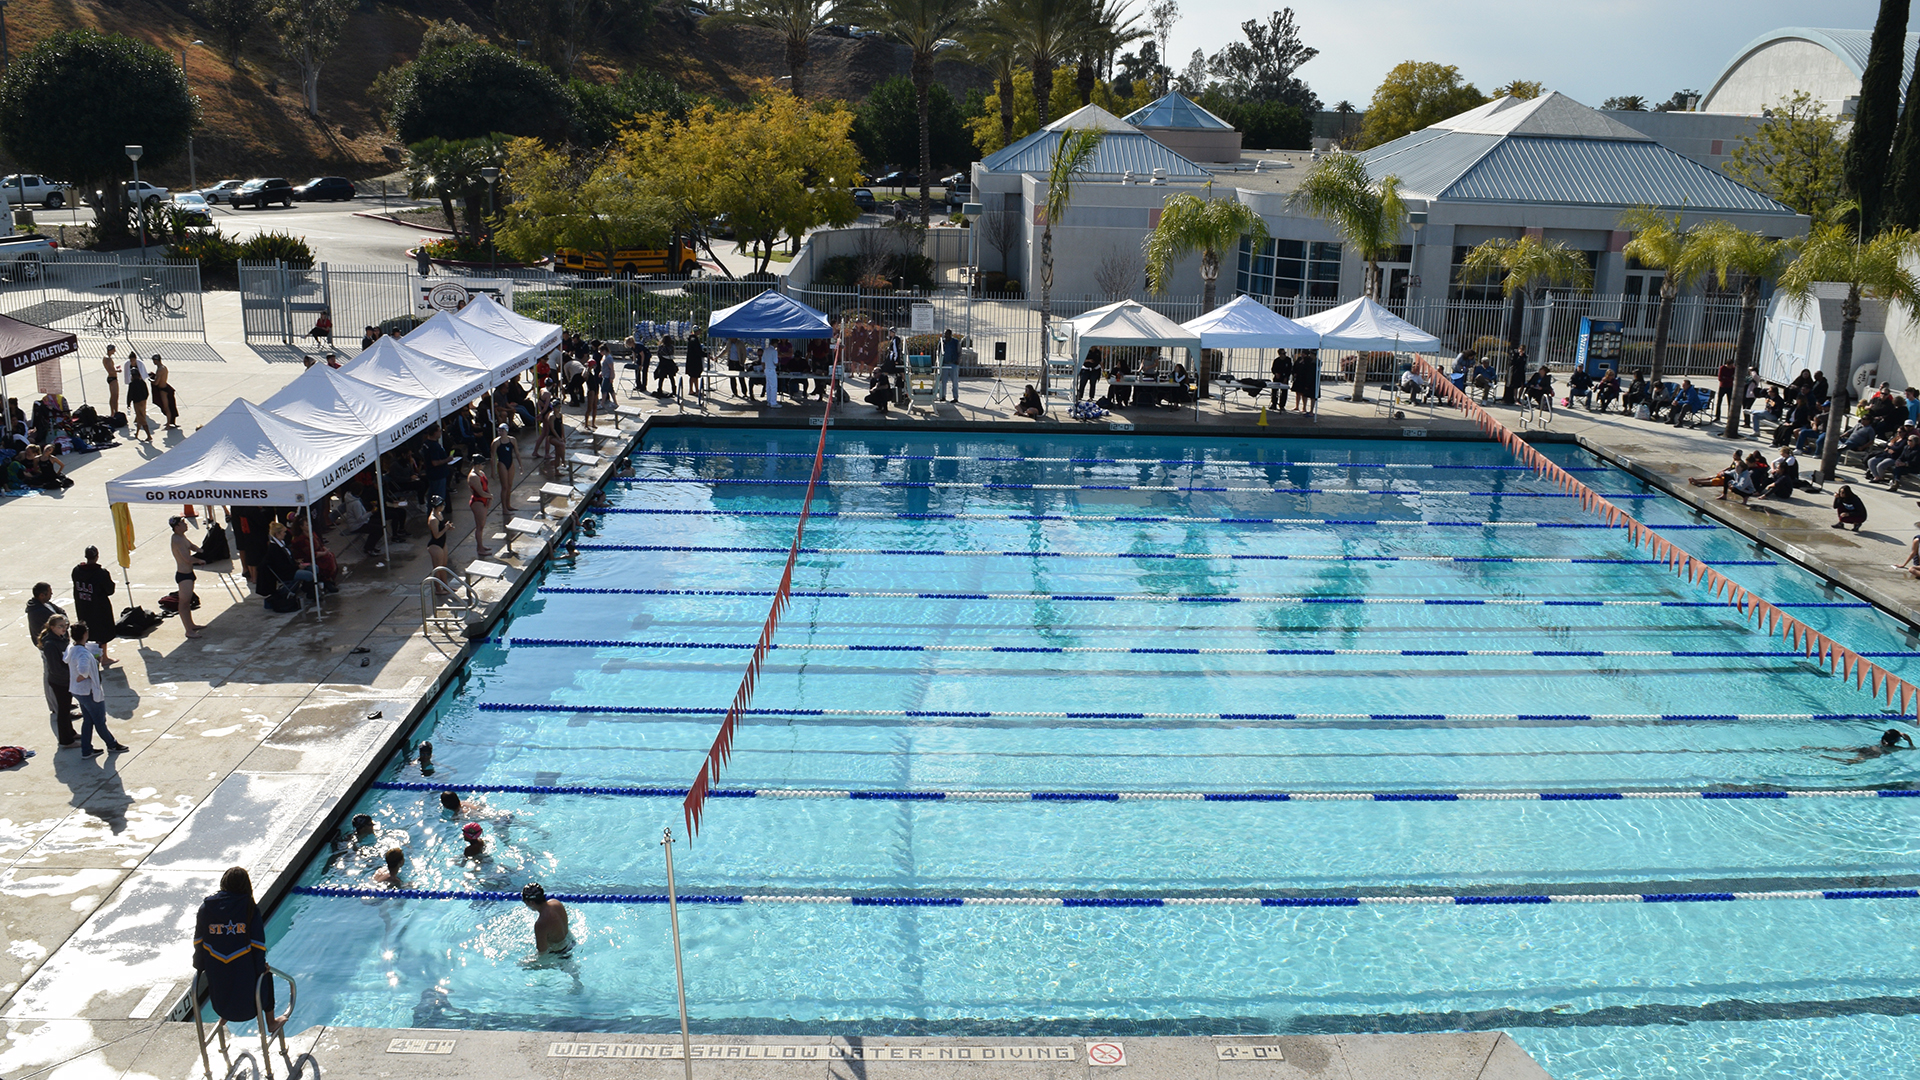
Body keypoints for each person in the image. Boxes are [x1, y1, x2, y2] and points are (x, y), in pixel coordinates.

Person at [193, 867, 281, 1033]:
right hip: (250, 1004)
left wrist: (199, 965)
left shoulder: (206, 908)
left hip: (220, 1001)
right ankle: (271, 1022)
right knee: (266, 975)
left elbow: (198, 942)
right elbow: (258, 946)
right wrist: (261, 969)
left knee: (222, 968)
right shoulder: (249, 909)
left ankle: (226, 1014)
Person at [66, 623, 124, 756]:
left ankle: (86, 750)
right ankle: (112, 744)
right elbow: (83, 670)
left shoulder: (72, 649)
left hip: (78, 691)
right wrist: (83, 675)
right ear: (85, 634)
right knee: (99, 721)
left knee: (88, 720)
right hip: (88, 692)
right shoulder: (83, 654)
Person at [70, 548, 117, 665]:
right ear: (97, 556)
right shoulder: (101, 573)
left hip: (83, 606)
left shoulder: (77, 571)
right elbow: (109, 590)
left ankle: (91, 656)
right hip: (99, 607)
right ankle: (104, 658)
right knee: (103, 631)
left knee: (87, 631)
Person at [38, 614, 78, 747]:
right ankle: (66, 741)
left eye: (65, 625)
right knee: (63, 711)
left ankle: (70, 733)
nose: (64, 628)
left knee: (65, 709)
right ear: (52, 627)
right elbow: (55, 668)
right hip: (59, 682)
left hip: (64, 680)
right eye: (60, 626)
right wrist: (71, 675)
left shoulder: (61, 638)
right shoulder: (50, 644)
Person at [170, 517, 205, 637]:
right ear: (177, 527)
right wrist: (199, 560)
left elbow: (190, 545)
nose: (186, 525)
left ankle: (191, 625)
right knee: (184, 603)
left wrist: (198, 549)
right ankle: (188, 631)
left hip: (189, 574)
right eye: (183, 523)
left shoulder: (181, 537)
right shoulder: (176, 540)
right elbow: (187, 559)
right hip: (184, 575)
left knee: (188, 602)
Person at [523, 882, 571, 955]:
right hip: (570, 944)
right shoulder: (556, 903)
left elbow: (542, 952)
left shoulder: (541, 924)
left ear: (532, 903)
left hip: (558, 954)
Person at [1821, 728, 1917, 763]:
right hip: (1873, 753)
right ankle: (1827, 758)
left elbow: (1895, 734)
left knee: (1841, 750)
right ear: (1896, 740)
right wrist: (1910, 742)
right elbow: (1912, 749)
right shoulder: (1896, 748)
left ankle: (1818, 748)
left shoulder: (1882, 741)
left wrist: (1900, 735)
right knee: (1852, 761)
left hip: (1867, 747)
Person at [465, 461, 493, 558]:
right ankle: (480, 549)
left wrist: (489, 497)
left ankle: (481, 546)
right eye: (482, 464)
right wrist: (490, 497)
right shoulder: (473, 477)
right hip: (477, 502)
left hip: (483, 500)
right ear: (477, 464)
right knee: (479, 526)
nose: (484, 465)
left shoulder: (481, 473)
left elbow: (486, 488)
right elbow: (480, 492)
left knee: (482, 526)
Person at [124, 351, 153, 442]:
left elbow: (130, 394)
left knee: (141, 418)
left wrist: (128, 403)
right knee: (140, 416)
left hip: (137, 402)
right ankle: (137, 433)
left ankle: (149, 435)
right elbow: (147, 392)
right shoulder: (142, 382)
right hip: (143, 401)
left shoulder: (132, 384)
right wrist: (144, 399)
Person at [150, 355, 179, 428]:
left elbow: (156, 382)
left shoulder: (160, 370)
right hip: (165, 387)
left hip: (163, 390)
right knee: (169, 406)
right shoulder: (164, 367)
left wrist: (150, 380)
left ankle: (168, 424)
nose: (153, 362)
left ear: (156, 360)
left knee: (166, 407)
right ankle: (169, 422)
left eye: (154, 360)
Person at [1292, 351, 1319, 416]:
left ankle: (1307, 409)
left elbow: (1310, 372)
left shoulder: (1311, 361)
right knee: (1298, 393)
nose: (1302, 355)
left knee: (1307, 395)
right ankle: (1297, 406)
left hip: (1308, 380)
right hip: (1299, 378)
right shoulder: (1299, 359)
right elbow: (1295, 366)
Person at [938, 328, 961, 402]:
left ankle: (955, 397)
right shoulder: (942, 342)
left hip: (953, 364)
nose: (946, 336)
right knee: (943, 382)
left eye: (947, 334)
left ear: (951, 335)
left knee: (955, 382)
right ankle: (942, 396)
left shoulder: (955, 342)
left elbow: (959, 352)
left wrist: (958, 361)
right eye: (945, 334)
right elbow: (938, 353)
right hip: (944, 364)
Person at [102, 346, 120, 418]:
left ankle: (113, 411)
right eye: (114, 350)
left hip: (111, 377)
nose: (114, 351)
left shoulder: (105, 358)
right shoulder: (108, 359)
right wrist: (117, 370)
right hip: (112, 378)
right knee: (115, 396)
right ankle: (115, 412)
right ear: (110, 350)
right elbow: (111, 370)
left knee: (113, 396)